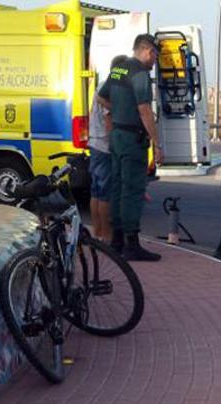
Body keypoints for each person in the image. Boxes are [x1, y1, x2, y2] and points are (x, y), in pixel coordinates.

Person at [96, 34, 162, 261]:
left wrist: (120, 111)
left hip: (117, 137)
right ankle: (132, 245)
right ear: (145, 50)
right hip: (133, 140)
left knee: (117, 187)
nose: (155, 60)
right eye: (154, 54)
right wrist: (156, 142)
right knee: (133, 190)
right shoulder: (140, 73)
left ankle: (116, 242)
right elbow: (144, 111)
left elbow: (101, 98)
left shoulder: (118, 70)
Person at [88, 55, 126, 243]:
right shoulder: (110, 88)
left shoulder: (100, 85)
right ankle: (106, 235)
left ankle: (96, 232)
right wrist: (115, 145)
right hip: (104, 145)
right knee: (104, 193)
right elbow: (109, 120)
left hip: (94, 143)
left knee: (95, 192)